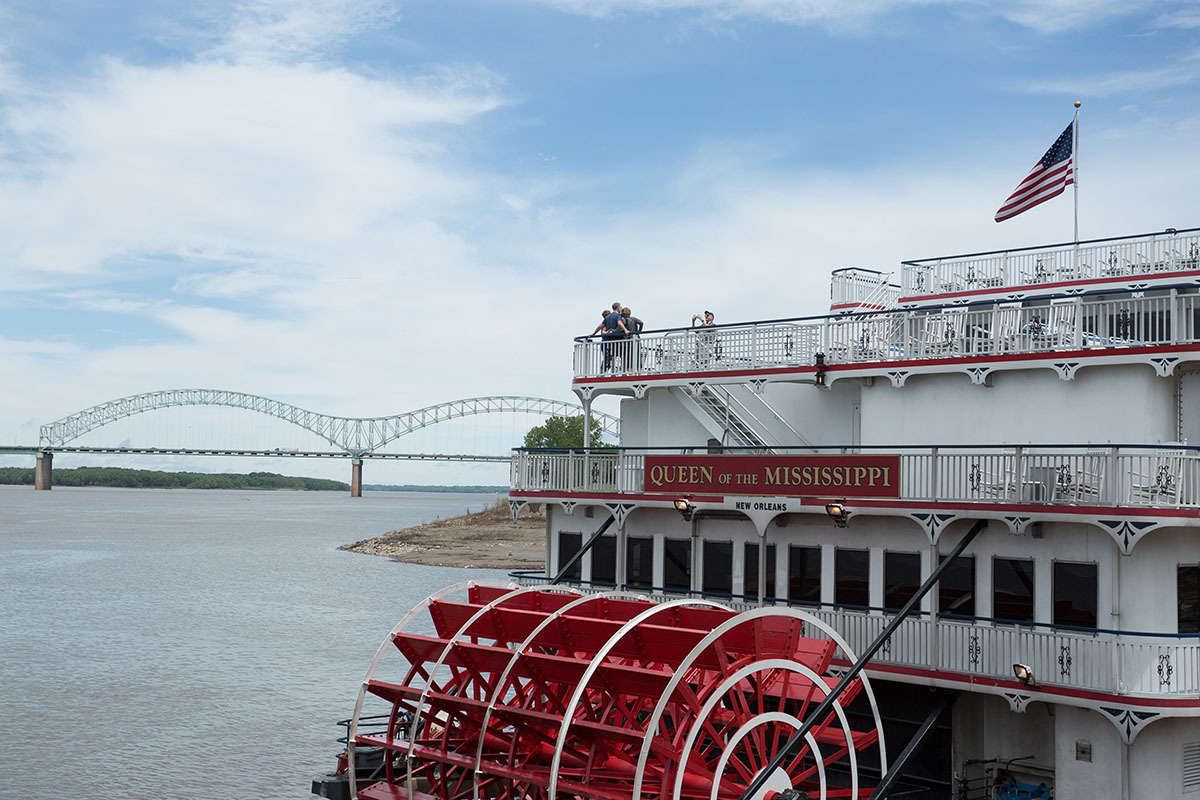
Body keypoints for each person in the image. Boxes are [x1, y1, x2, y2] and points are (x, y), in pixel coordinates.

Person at [591, 302, 628, 371]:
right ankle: (624, 371)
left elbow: (600, 326)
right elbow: (619, 323)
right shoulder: (618, 315)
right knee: (622, 355)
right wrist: (625, 330)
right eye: (620, 307)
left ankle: (613, 371)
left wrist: (593, 334)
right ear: (618, 308)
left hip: (610, 341)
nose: (621, 309)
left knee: (613, 356)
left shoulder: (608, 317)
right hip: (617, 340)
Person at [621, 307, 644, 372]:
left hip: (627, 341)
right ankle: (639, 372)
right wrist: (639, 331)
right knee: (638, 357)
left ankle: (631, 373)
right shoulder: (633, 319)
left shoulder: (623, 321)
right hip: (636, 339)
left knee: (629, 357)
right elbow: (641, 323)